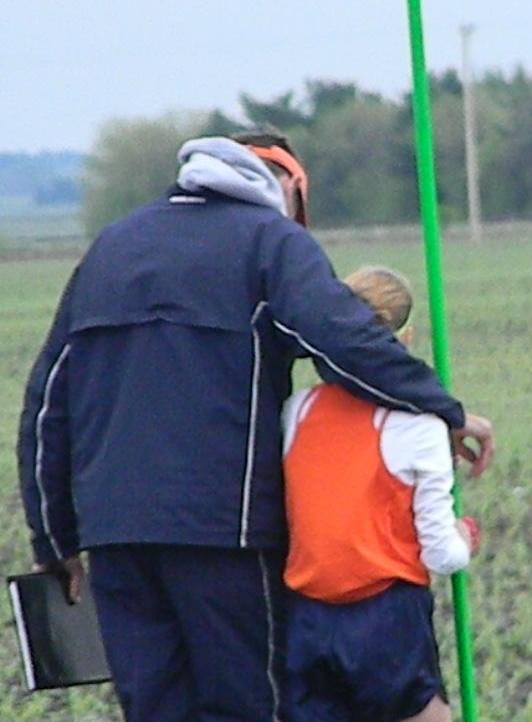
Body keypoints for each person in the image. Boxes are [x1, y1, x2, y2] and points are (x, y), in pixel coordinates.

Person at [17, 133, 494, 722]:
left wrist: (53, 540)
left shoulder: (110, 249)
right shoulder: (271, 242)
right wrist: (441, 407)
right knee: (248, 706)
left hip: (116, 540)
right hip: (227, 536)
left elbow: (47, 403)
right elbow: (342, 342)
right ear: (290, 188)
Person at [282, 266, 481, 722]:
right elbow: (440, 555)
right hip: (386, 621)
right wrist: (466, 536)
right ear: (404, 341)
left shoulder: (298, 411)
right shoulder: (420, 426)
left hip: (305, 624)